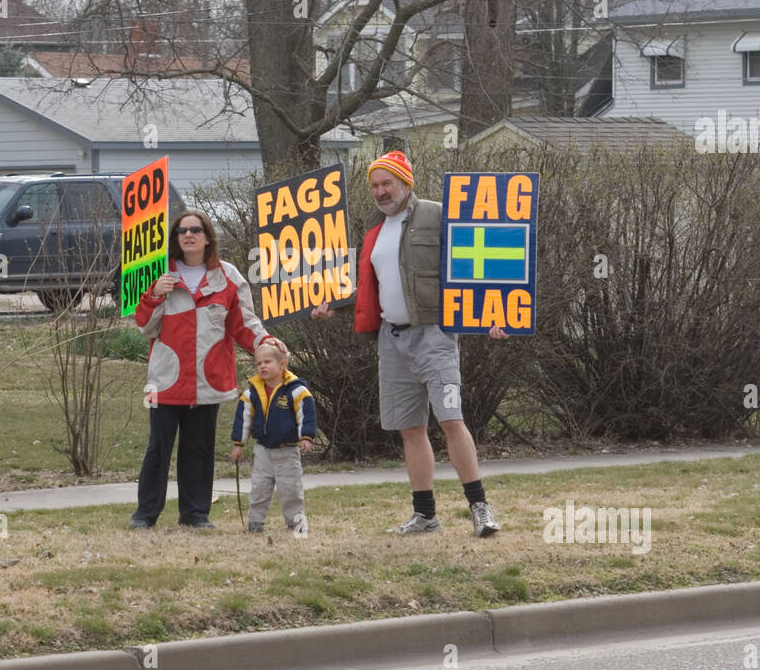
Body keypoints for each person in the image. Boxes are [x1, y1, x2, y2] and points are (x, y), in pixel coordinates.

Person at [312, 150, 502, 538]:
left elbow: (476, 263)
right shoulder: (373, 231)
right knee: (410, 428)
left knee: (451, 419)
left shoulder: (437, 215)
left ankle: (480, 508)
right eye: (375, 186)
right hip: (391, 338)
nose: (381, 192)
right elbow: (368, 289)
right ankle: (425, 514)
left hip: (434, 334)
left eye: (388, 183)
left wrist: (495, 314)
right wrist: (334, 305)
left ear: (405, 182)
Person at [131, 209, 276, 529]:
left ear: (207, 237)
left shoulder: (228, 277)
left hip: (207, 381)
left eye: (196, 229)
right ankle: (145, 515)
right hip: (165, 381)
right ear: (176, 238)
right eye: (182, 230)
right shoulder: (160, 275)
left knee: (198, 449)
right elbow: (143, 326)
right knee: (158, 448)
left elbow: (243, 324)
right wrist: (154, 295)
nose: (188, 235)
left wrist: (266, 343)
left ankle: (195, 515)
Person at [230, 343, 316, 535]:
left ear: (282, 364)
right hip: (262, 451)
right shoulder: (251, 393)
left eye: (267, 362)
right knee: (259, 489)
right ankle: (255, 523)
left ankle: (297, 524)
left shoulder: (296, 391)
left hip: (288, 451)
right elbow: (243, 419)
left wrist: (306, 437)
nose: (262, 366)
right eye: (259, 363)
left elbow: (306, 414)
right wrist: (238, 444)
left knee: (291, 491)